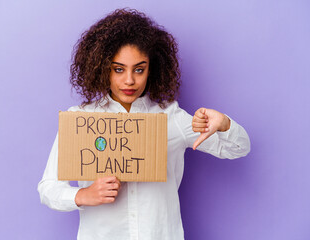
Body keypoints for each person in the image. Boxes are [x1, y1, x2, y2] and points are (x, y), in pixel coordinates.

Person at [38, 8, 250, 240]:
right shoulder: (80, 119)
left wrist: (223, 124)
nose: (129, 80)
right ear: (102, 68)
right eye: (118, 69)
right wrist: (83, 195)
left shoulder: (171, 117)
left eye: (139, 69)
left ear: (152, 69)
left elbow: (239, 148)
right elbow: (48, 188)